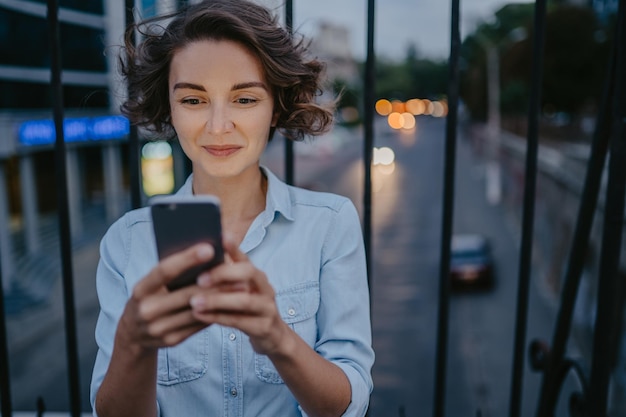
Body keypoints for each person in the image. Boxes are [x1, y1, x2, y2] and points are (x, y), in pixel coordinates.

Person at [89, 1, 374, 416]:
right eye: (193, 100)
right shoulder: (126, 243)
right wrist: (134, 342)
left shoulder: (330, 224)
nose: (219, 125)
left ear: (274, 106)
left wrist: (278, 338)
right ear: (169, 107)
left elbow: (347, 404)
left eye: (244, 100)